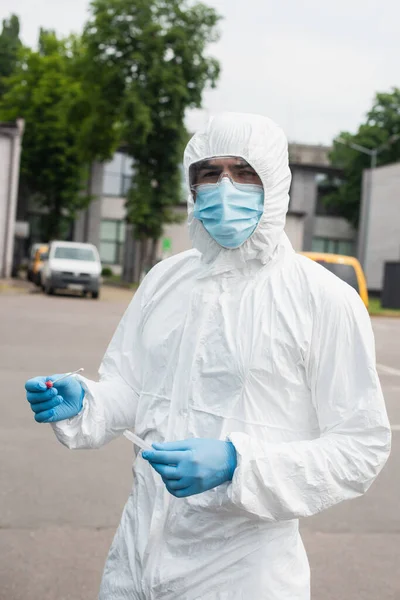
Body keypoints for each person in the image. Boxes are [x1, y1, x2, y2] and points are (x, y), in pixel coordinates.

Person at [25, 112, 391, 600]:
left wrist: (239, 464)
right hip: (137, 559)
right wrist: (88, 401)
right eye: (208, 172)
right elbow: (132, 391)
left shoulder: (321, 299)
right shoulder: (165, 280)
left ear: (275, 184)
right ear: (192, 189)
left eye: (243, 172)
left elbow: (359, 446)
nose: (224, 187)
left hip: (244, 573)